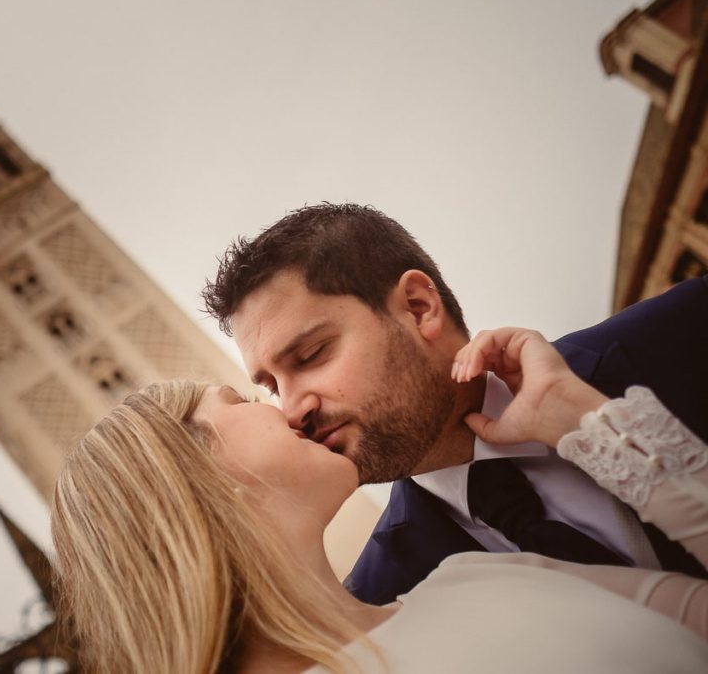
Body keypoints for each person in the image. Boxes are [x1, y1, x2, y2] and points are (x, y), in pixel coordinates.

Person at [51, 328, 708, 672]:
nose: (285, 405)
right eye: (244, 398)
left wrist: (590, 426)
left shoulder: (475, 576)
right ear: (199, 482)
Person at [200, 203, 708, 604]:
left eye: (311, 354)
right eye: (271, 386)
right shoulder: (386, 600)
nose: (292, 410)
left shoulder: (687, 332)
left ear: (419, 308)